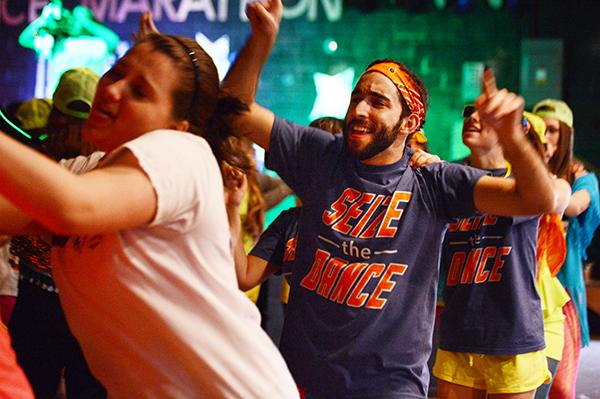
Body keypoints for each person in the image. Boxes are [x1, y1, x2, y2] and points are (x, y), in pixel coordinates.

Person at [221, 1, 560, 396]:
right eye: (357, 97)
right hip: (302, 380)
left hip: (390, 386)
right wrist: (260, 41)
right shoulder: (321, 155)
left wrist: (513, 138)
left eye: (378, 102)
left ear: (409, 122)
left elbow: (536, 200)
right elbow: (233, 112)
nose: (359, 109)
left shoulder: (432, 182)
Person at [0, 33, 298, 398]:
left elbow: (72, 207)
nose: (111, 90)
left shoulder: (184, 154)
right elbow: (21, 210)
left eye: (140, 92)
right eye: (116, 72)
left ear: (177, 125)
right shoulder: (88, 170)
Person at [432, 105, 570, 399]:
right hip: (458, 332)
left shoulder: (527, 185)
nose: (471, 116)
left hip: (513, 337)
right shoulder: (448, 179)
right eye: (468, 110)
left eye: (486, 114)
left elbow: (554, 195)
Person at [8, 67, 106, 399]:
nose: (72, 131)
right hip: (73, 301)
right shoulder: (105, 164)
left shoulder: (35, 159)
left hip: (50, 299)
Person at [533, 99, 600, 399]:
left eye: (553, 131)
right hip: (523, 290)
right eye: (540, 131)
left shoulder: (582, 178)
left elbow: (573, 205)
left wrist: (546, 183)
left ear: (566, 136)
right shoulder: (517, 173)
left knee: (560, 386)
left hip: (562, 291)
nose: (546, 139)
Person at [18, 0, 119, 96]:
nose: (74, 19)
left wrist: (85, 20)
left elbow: (113, 41)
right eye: (73, 16)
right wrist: (42, 19)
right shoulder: (56, 42)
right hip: (59, 101)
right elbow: (24, 40)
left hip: (89, 101)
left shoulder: (97, 44)